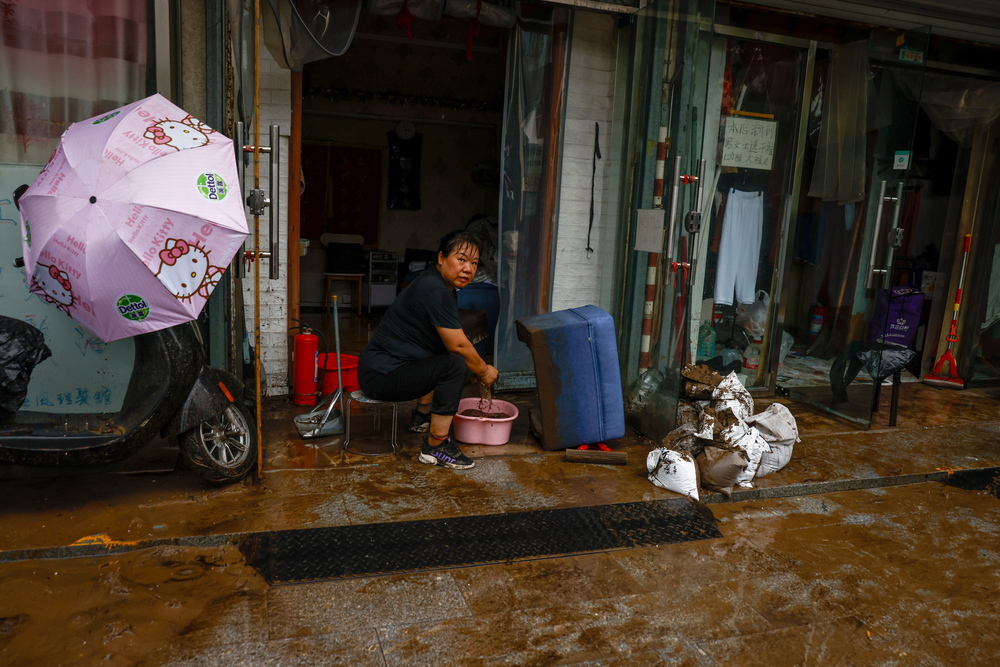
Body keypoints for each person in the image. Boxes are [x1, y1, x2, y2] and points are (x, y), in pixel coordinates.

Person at [357, 230, 499, 470]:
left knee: (448, 355)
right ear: (441, 258)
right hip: (382, 375)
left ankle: (422, 416)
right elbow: (459, 346)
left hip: (383, 369)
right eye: (461, 259)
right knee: (455, 365)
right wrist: (484, 371)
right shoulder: (435, 290)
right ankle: (436, 446)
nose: (468, 269)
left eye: (474, 263)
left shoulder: (437, 284)